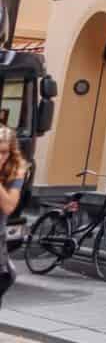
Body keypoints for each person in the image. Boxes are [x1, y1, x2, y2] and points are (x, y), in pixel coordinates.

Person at [0, 126, 29, 308]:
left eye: (4, 152)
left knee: (4, 279)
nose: (0, 157)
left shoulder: (16, 170)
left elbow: (9, 205)